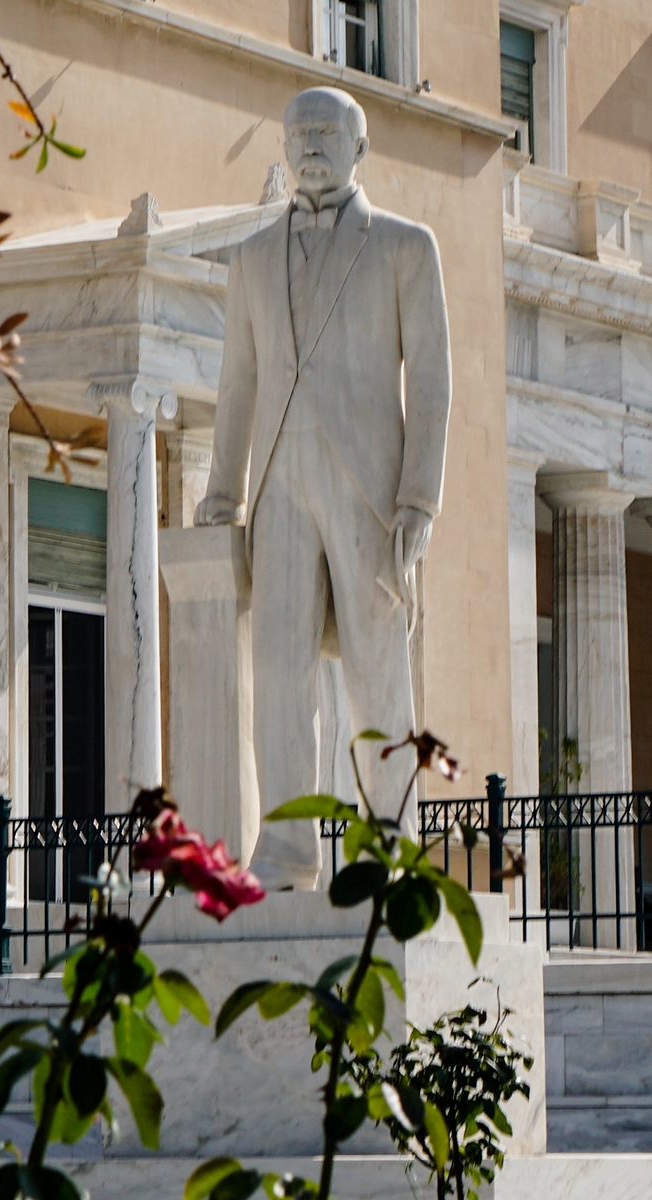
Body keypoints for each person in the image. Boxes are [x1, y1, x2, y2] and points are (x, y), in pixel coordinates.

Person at [196, 86, 452, 890]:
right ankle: (286, 852)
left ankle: (388, 845)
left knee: (377, 670)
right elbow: (236, 385)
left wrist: (419, 499)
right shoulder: (248, 259)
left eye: (324, 133)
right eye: (297, 133)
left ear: (359, 146)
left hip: (369, 487)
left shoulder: (407, 248)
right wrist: (220, 495)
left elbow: (436, 383)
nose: (309, 145)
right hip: (276, 485)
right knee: (279, 673)